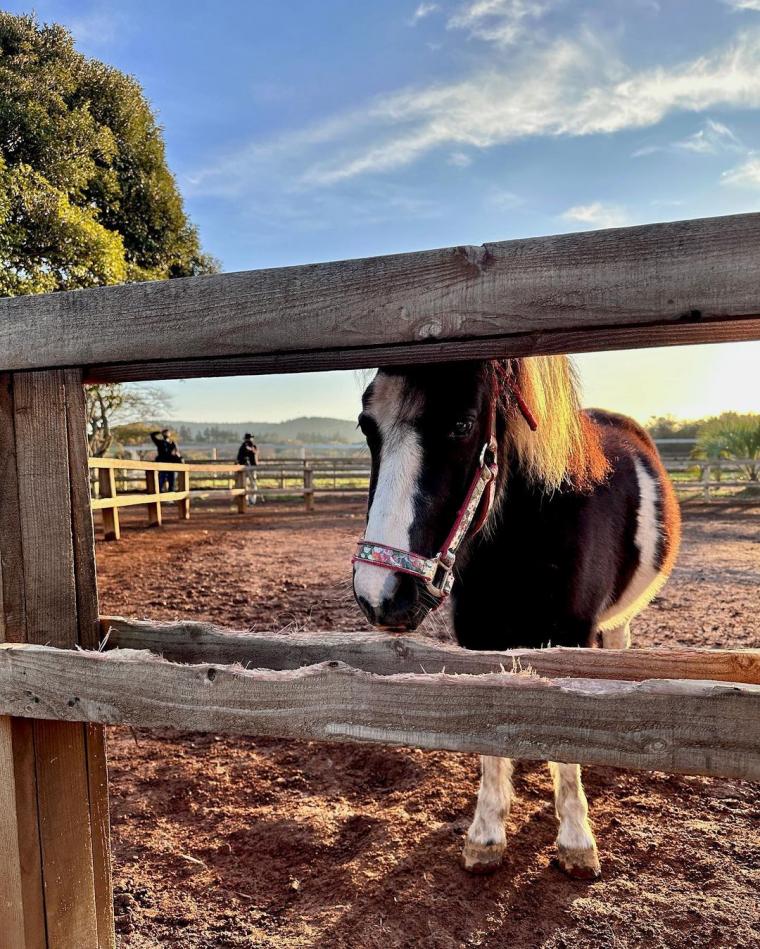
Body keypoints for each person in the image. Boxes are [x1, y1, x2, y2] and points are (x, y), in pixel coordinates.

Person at [237, 433, 259, 505]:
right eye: (248, 439)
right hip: (244, 468)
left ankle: (252, 500)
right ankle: (245, 500)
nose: (249, 440)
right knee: (244, 484)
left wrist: (250, 450)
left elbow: (255, 456)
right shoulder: (242, 447)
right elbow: (239, 458)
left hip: (252, 467)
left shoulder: (254, 447)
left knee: (253, 483)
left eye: (250, 438)